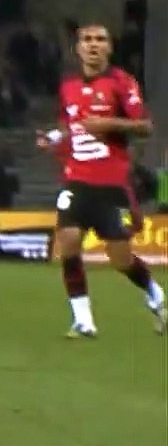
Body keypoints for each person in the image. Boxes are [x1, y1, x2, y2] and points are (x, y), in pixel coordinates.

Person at [36, 23, 165, 337]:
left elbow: (145, 127)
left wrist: (107, 122)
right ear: (78, 48)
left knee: (119, 258)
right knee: (67, 243)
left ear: (109, 47)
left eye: (100, 40)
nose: (93, 45)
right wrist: (53, 138)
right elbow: (72, 123)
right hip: (77, 179)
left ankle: (154, 293)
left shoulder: (122, 83)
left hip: (112, 185)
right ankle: (83, 320)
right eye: (87, 40)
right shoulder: (68, 86)